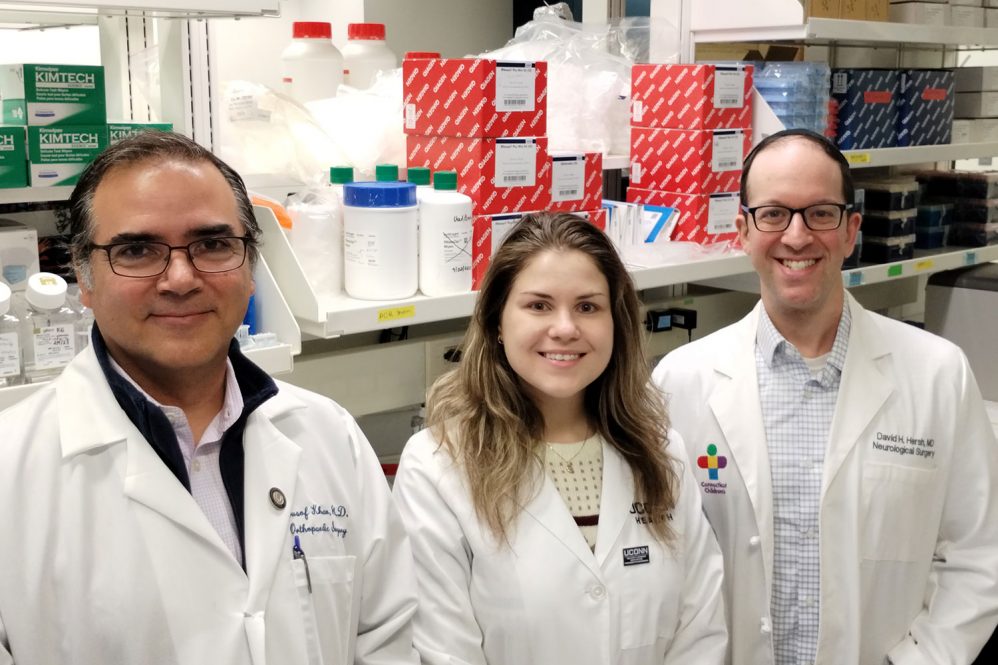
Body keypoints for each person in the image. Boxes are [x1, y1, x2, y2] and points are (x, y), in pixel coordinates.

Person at [0, 131, 419, 665]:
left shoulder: (329, 435)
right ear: (83, 275)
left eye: (213, 245)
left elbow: (386, 638)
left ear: (249, 267)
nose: (180, 278)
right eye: (136, 250)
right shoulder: (11, 471)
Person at [652, 128, 998, 665]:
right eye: (772, 214)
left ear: (850, 230)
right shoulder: (682, 381)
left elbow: (979, 555)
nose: (796, 236)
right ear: (743, 230)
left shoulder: (937, 375)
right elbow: (659, 562)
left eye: (820, 213)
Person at [392, 212, 727, 665]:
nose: (566, 328)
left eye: (588, 306)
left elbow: (701, 632)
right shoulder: (437, 466)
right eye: (539, 305)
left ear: (616, 322)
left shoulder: (661, 451)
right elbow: (444, 651)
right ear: (496, 321)